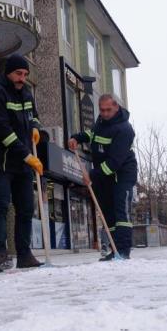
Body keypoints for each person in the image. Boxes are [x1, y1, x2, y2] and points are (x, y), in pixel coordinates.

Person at [0, 54, 44, 273]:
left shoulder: (25, 93)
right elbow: (3, 132)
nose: (22, 78)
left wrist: (35, 128)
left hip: (23, 163)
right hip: (2, 161)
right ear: (8, 72)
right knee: (0, 207)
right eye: (19, 73)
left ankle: (24, 254)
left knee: (26, 208)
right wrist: (27, 155)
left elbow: (33, 115)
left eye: (25, 74)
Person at [68, 94, 137, 260]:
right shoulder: (100, 122)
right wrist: (77, 138)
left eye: (108, 110)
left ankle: (123, 250)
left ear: (116, 107)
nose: (105, 113)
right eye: (102, 110)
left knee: (121, 211)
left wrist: (91, 175)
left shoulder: (125, 130)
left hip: (122, 174)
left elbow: (114, 162)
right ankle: (114, 249)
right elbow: (91, 134)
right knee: (108, 212)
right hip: (104, 175)